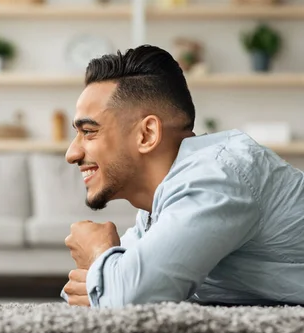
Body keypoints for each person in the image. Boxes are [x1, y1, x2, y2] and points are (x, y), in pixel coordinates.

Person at [61, 44, 304, 309]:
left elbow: (131, 299)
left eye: (89, 131)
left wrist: (99, 253)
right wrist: (111, 276)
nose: (71, 153)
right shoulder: (157, 208)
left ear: (147, 134)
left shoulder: (216, 177)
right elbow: (90, 290)